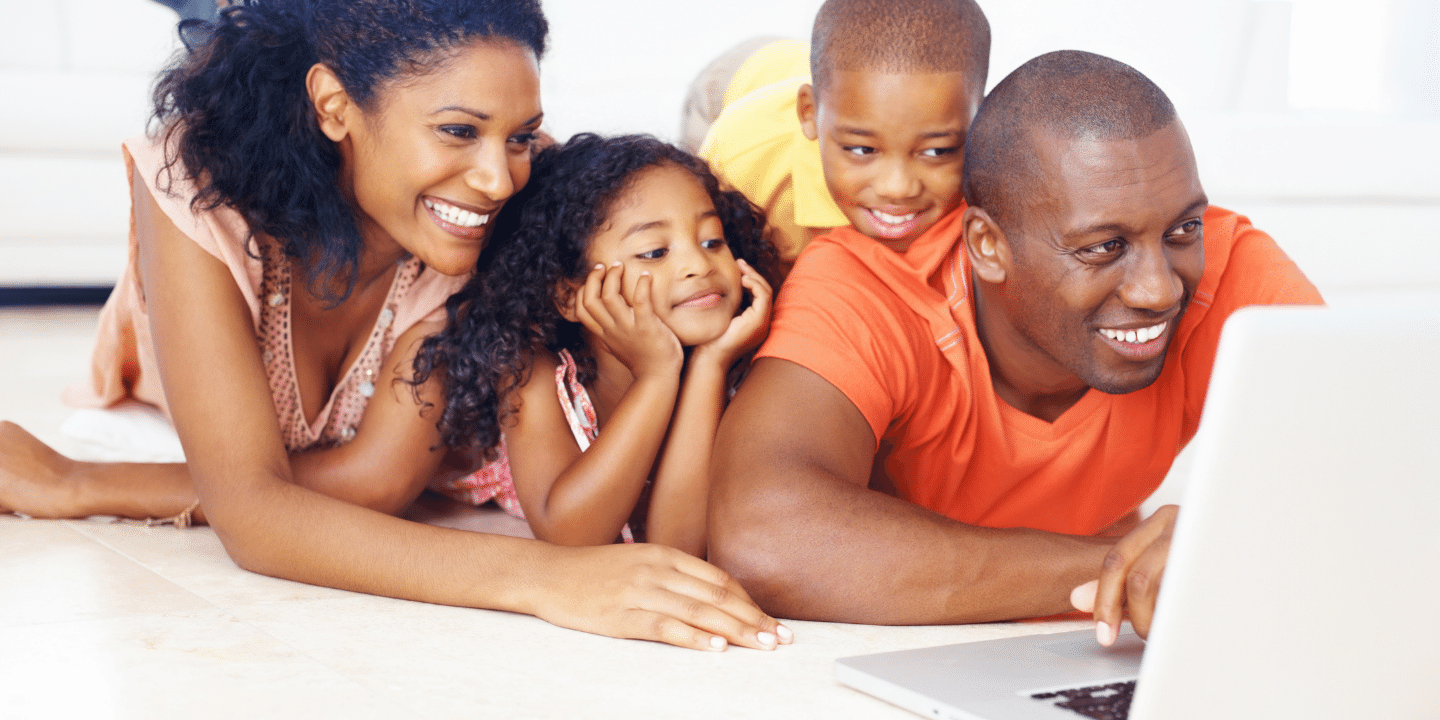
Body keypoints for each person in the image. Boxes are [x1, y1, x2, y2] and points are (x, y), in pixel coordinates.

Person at [0, 0, 789, 653]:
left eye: (518, 137)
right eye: (457, 131)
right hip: (165, 398)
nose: (494, 179)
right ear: (336, 105)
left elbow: (373, 480)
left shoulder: (504, 221)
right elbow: (255, 517)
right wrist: (545, 580)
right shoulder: (193, 181)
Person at [709, 50, 1324, 646]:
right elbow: (764, 536)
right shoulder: (867, 286)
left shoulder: (1231, 268)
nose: (1158, 288)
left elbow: (1397, 469)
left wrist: (1234, 542)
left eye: (1182, 228)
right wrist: (1129, 567)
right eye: (1103, 247)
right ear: (988, 245)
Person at [415, 134, 777, 559]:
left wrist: (710, 367)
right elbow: (570, 534)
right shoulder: (534, 372)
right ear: (571, 295)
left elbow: (677, 549)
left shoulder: (740, 365)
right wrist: (656, 375)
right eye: (654, 251)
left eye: (712, 241)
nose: (699, 265)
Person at [693, 0, 990, 271]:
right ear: (808, 114)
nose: (897, 188)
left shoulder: (992, 171)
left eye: (937, 151)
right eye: (862, 150)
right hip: (738, 79)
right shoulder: (741, 160)